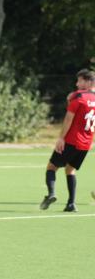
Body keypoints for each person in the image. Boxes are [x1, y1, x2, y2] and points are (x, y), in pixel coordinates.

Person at [40, 69, 95, 212]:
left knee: (51, 167)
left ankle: (51, 194)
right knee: (70, 170)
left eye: (80, 81)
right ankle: (71, 204)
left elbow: (69, 118)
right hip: (86, 143)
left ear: (89, 82)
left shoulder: (78, 96)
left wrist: (61, 138)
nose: (77, 84)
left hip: (71, 140)